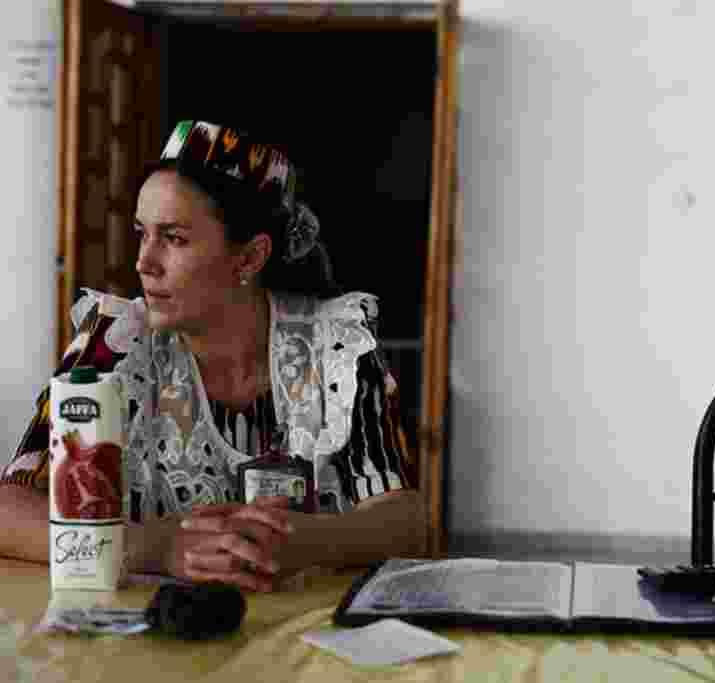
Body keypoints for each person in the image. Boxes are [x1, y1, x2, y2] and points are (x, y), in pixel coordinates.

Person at [0, 121, 423, 591]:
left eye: (174, 239)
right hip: (153, 638)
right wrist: (153, 547)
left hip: (304, 640)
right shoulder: (113, 342)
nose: (144, 261)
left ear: (249, 258)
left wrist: (310, 540)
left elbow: (405, 518)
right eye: (142, 233)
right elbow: (7, 508)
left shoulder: (336, 342)